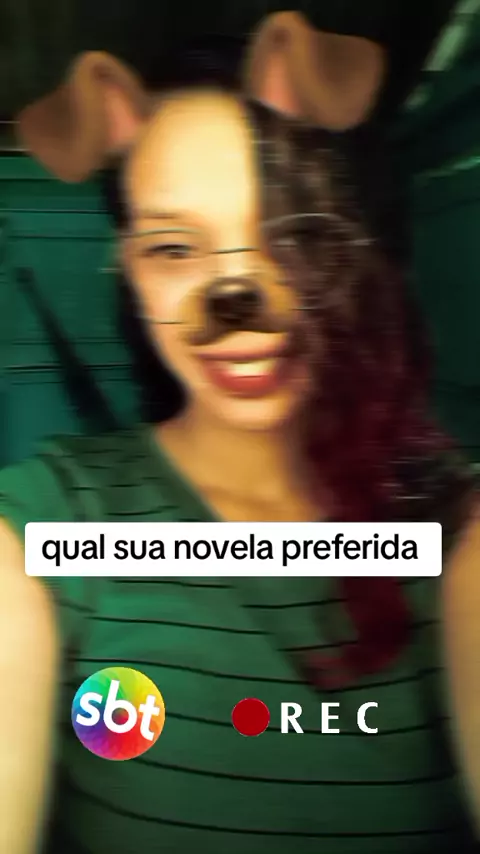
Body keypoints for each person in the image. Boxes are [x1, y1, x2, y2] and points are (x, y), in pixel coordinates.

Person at [1, 11, 479, 854]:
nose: (234, 290)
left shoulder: (455, 532)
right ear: (130, 270)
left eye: (286, 232)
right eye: (173, 249)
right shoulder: (48, 527)